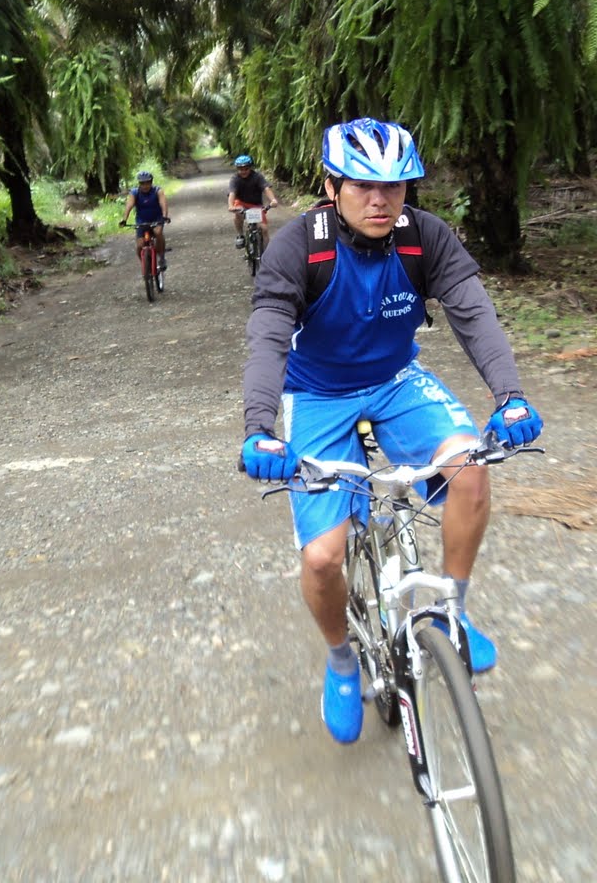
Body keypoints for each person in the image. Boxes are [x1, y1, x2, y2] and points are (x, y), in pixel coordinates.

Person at [238, 118, 543, 745]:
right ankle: (342, 660)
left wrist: (510, 397)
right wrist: (259, 427)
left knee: (471, 471)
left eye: (396, 186)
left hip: (397, 379)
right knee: (323, 557)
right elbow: (268, 336)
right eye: (362, 186)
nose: (381, 200)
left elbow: (473, 313)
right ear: (331, 185)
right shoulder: (301, 248)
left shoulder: (423, 237)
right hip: (318, 395)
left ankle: (451, 612)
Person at [228, 155, 280, 249]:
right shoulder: (235, 179)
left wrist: (273, 200)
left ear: (250, 168)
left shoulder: (257, 177)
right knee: (238, 214)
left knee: (264, 229)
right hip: (241, 203)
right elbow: (232, 193)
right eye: (240, 169)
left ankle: (266, 254)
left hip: (256, 206)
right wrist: (231, 206)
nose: (243, 171)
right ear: (237, 169)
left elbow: (266, 188)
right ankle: (240, 235)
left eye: (246, 169)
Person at [123, 170, 169, 259]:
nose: (145, 186)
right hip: (141, 220)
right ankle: (146, 269)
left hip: (157, 218)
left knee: (158, 232)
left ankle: (162, 256)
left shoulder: (157, 191)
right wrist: (124, 219)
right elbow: (129, 205)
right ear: (139, 184)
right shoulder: (135, 193)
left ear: (151, 182)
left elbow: (163, 204)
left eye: (147, 183)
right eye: (142, 183)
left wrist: (164, 216)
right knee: (140, 245)